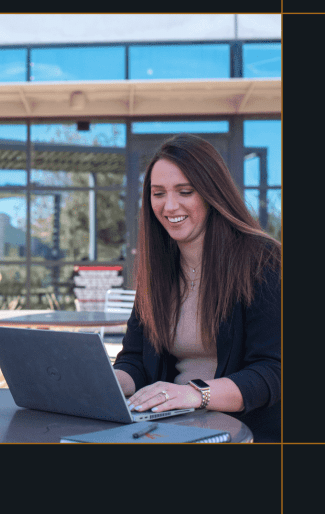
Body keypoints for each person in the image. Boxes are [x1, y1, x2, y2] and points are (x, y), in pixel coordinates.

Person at [113, 134, 281, 442]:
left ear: (211, 193)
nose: (169, 205)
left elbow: (273, 372)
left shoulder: (263, 261)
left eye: (185, 191)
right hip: (166, 430)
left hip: (244, 433)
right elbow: (135, 359)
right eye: (158, 193)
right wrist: (109, 383)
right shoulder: (157, 269)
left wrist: (194, 394)